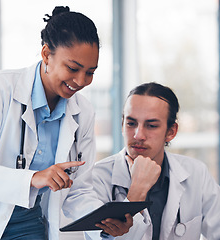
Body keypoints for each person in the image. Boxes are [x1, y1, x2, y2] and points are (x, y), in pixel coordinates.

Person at [0, 6, 132, 240]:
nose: (81, 81)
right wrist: (33, 178)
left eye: (90, 72)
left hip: (28, 223)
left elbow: (78, 191)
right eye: (72, 68)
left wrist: (103, 221)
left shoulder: (83, 113)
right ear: (46, 54)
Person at [92, 82, 220, 240]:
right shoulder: (98, 177)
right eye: (131, 123)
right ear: (122, 124)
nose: (138, 135)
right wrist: (137, 191)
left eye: (151, 125)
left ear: (171, 132)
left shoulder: (196, 173)